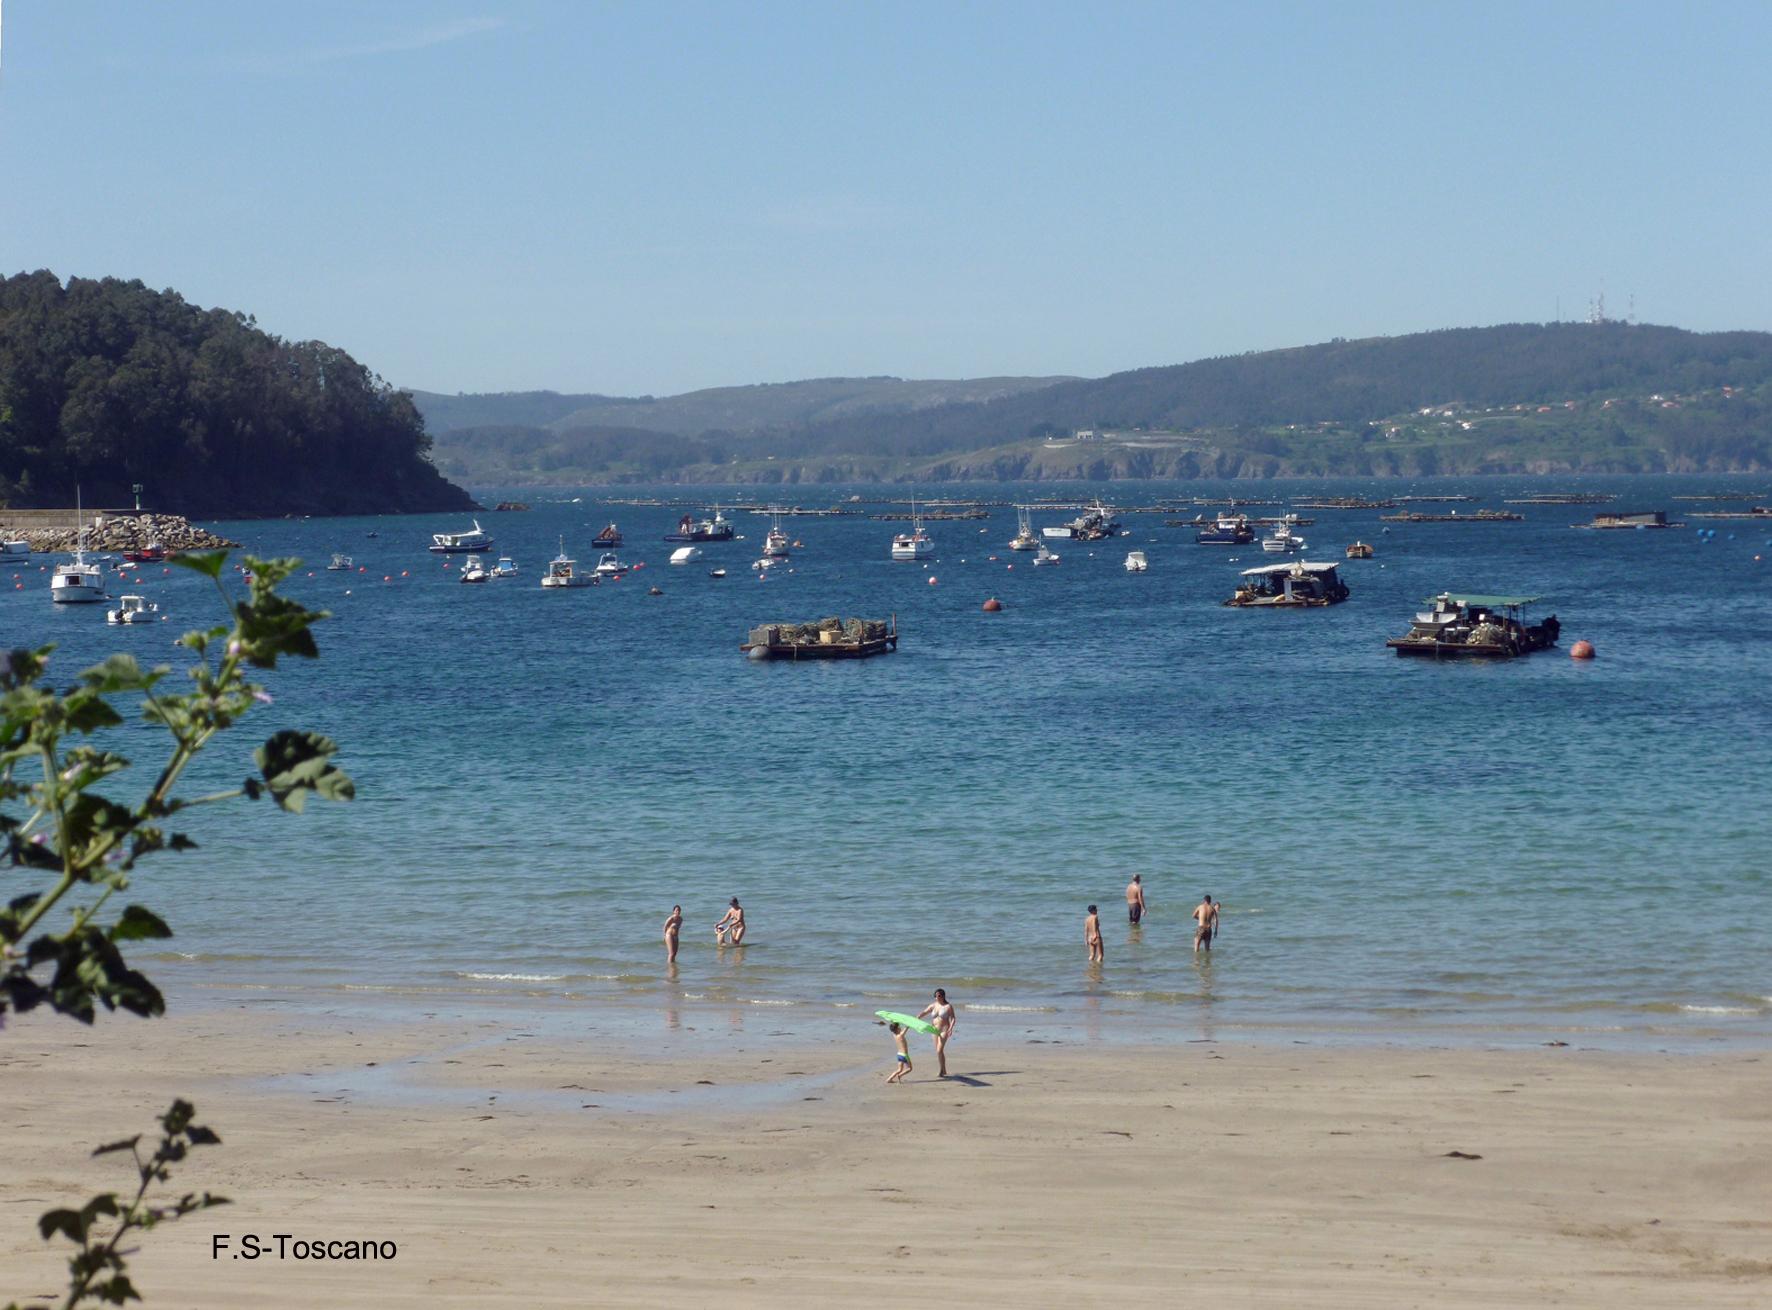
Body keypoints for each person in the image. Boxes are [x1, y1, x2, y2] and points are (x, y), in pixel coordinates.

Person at [917, 988, 956, 1077]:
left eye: (938, 996)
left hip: (944, 1029)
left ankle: (941, 1070)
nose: (936, 997)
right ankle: (944, 1069)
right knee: (938, 1051)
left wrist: (950, 1029)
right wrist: (918, 1017)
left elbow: (953, 1018)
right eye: (935, 996)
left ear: (943, 996)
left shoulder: (948, 1006)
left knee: (939, 1050)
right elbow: (925, 1012)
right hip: (934, 1029)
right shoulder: (933, 1005)